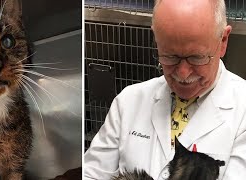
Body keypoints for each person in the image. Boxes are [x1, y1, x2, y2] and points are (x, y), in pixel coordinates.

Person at [84, 0, 246, 179]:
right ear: (156, 40)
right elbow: (92, 174)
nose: (183, 74)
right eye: (170, 56)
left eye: (197, 57)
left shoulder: (242, 108)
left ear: (223, 41)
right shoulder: (128, 101)